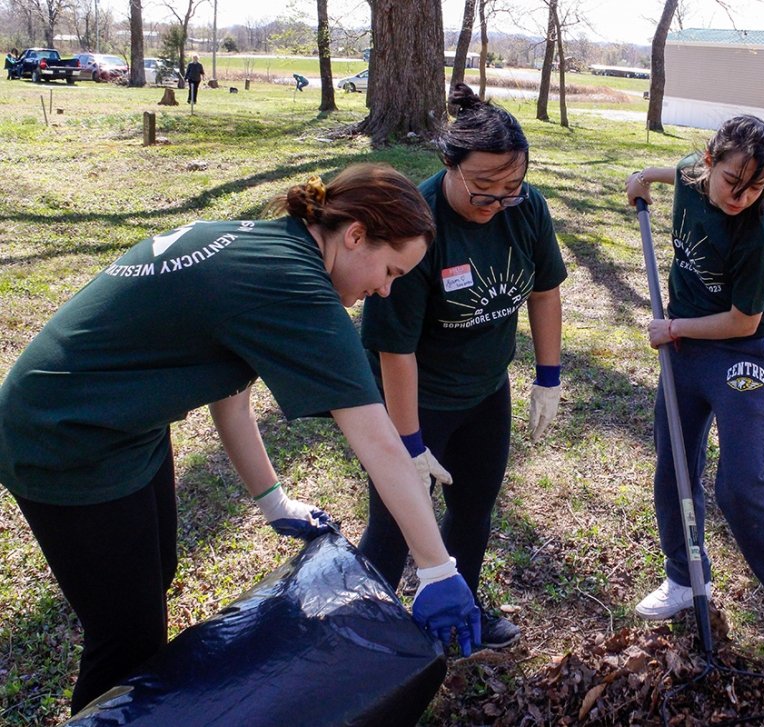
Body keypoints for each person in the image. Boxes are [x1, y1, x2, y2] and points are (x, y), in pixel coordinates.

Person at [0, 164, 481, 716]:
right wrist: (439, 569)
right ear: (354, 235)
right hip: (65, 440)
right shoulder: (293, 283)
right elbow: (377, 441)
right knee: (125, 639)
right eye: (390, 270)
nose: (385, 290)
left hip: (124, 425)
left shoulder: (269, 246)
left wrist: (272, 499)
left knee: (154, 574)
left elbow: (230, 390)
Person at [624, 115, 764, 663]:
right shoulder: (693, 176)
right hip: (684, 352)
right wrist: (642, 179)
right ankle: (682, 576)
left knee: (740, 483)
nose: (742, 197)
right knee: (675, 461)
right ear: (709, 162)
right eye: (733, 182)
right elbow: (671, 173)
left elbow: (743, 322)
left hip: (741, 353)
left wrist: (672, 328)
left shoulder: (760, 233)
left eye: (756, 188)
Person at [358, 83, 566, 650]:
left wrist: (547, 378)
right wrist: (410, 442)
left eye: (511, 188)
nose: (497, 202)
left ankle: (461, 609)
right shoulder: (415, 229)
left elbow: (545, 291)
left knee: (473, 509)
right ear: (449, 166)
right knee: (398, 522)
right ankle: (368, 638)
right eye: (483, 190)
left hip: (484, 391)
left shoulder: (528, 211)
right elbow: (393, 349)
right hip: (415, 397)